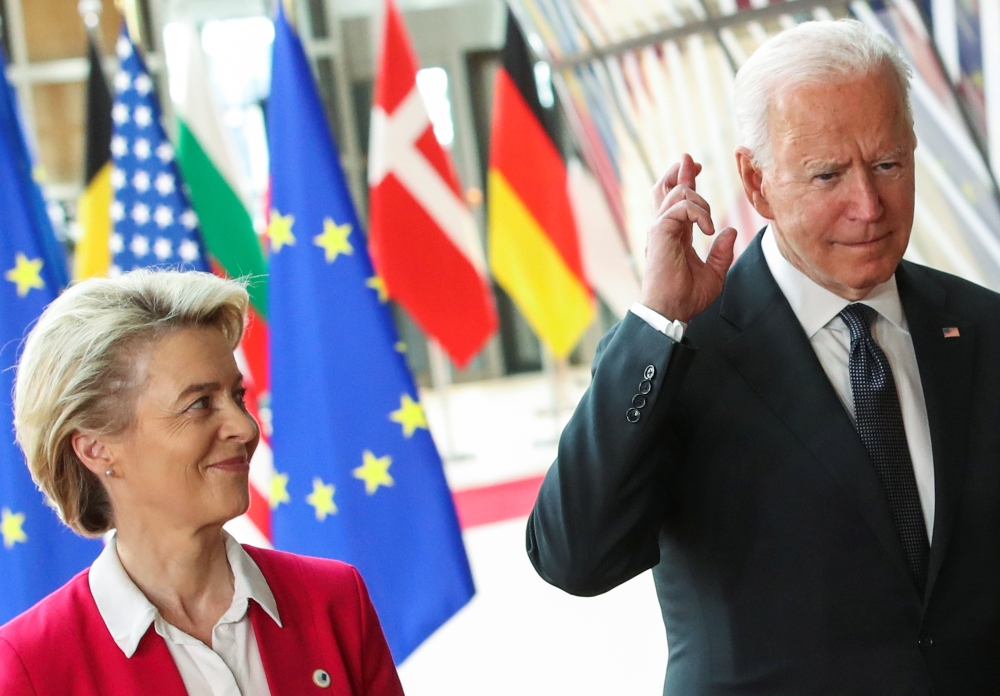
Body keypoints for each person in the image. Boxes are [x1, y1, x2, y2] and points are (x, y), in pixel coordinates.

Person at [527, 18, 1000, 695]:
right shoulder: (679, 352)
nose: (868, 204)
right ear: (756, 183)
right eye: (828, 174)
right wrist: (658, 321)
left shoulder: (984, 329)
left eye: (889, 163)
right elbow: (574, 558)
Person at [0, 270, 404, 696]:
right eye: (198, 404)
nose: (245, 429)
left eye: (237, 396)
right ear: (97, 449)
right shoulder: (32, 666)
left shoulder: (335, 602)